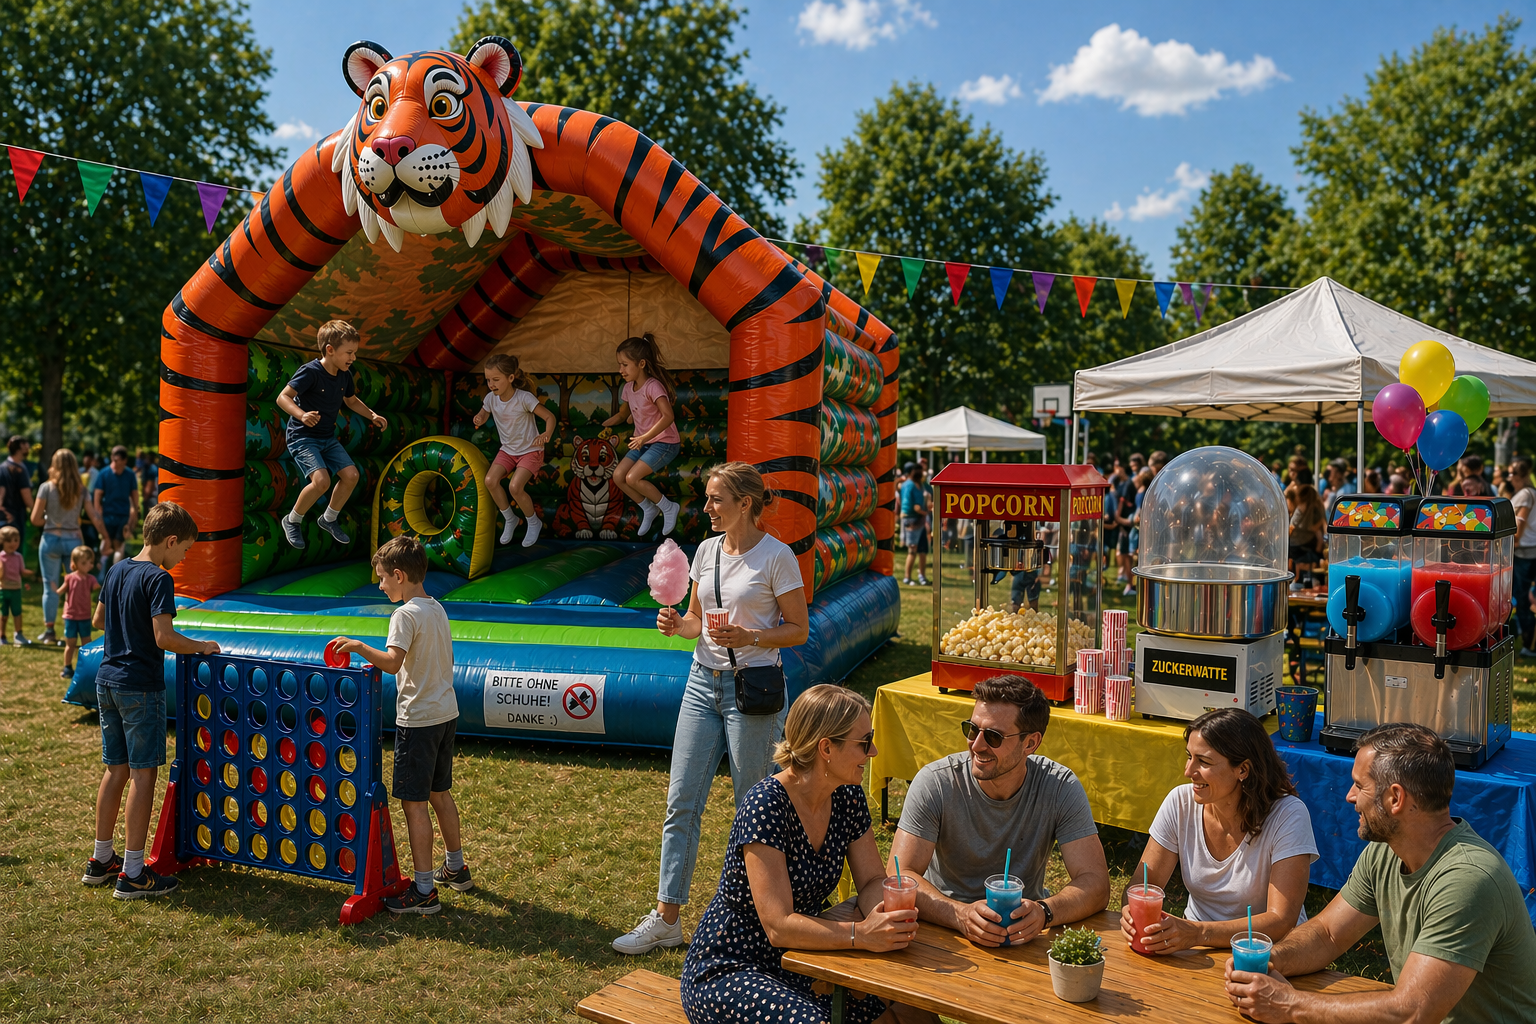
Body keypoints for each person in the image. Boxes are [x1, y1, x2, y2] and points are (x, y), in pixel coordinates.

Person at [615, 462, 808, 955]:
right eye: (707, 498)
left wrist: (751, 637)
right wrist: (676, 624)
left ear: (745, 503)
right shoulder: (705, 551)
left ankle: (758, 919)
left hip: (753, 691)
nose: (706, 508)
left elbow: (799, 629)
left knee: (754, 809)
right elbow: (696, 622)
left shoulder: (777, 556)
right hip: (702, 684)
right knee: (681, 801)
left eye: (716, 499)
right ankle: (667, 918)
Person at [1224, 723, 1536, 1024]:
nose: (1350, 796)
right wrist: (1268, 961)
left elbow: (1413, 1013)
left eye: (1360, 786)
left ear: (1395, 798)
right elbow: (1328, 934)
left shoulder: (1467, 879)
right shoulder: (1387, 851)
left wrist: (1288, 1005)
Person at [679, 685, 916, 1024]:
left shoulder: (847, 795)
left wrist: (890, 913)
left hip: (804, 956)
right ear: (826, 748)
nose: (873, 752)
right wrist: (861, 935)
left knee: (905, 1009)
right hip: (732, 966)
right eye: (864, 742)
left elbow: (872, 880)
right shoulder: (766, 805)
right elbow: (778, 926)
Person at [888, 674, 1110, 947]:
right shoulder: (936, 782)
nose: (976, 745)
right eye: (972, 729)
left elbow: (1096, 884)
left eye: (993, 737)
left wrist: (1044, 912)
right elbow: (899, 875)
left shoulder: (1058, 786)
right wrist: (959, 914)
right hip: (945, 933)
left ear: (1030, 743)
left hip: (1021, 934)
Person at [85, 501, 218, 898]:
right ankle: (132, 873)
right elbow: (164, 637)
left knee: (116, 770)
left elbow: (98, 620)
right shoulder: (158, 578)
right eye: (185, 550)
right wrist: (201, 646)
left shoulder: (116, 569)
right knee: (143, 776)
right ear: (171, 541)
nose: (183, 558)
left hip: (106, 681)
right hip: (140, 686)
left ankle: (100, 860)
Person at [330, 536, 468, 914]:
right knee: (440, 794)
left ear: (399, 575)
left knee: (414, 803)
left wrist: (359, 646)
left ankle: (423, 891)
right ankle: (456, 867)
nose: (380, 585)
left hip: (419, 720)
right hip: (446, 713)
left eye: (382, 578)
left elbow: (392, 663)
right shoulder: (436, 608)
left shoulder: (404, 615)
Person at [1121, 709, 1317, 954]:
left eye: (1204, 762)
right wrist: (1130, 913)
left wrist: (1198, 933)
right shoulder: (1180, 803)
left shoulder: (1288, 815)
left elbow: (1281, 920)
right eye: (1189, 757)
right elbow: (1142, 886)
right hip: (1195, 949)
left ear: (1243, 770)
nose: (1188, 771)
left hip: (1266, 954)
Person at [276, 320, 387, 549]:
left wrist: (372, 415)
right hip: (303, 437)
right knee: (322, 481)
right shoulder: (310, 372)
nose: (353, 358)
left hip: (326, 437)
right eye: (349, 352)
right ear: (330, 349)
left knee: (351, 475)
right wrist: (302, 415)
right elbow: (283, 397)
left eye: (355, 352)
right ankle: (292, 520)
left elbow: (351, 401)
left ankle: (328, 518)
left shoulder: (344, 374)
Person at [603, 333, 684, 537]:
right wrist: (605, 424)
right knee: (618, 476)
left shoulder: (653, 386)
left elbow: (668, 416)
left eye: (625, 365)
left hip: (664, 443)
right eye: (619, 365)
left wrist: (643, 437)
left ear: (641, 364)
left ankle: (668, 507)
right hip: (643, 442)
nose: (620, 370)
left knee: (632, 478)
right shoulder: (628, 388)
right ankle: (648, 507)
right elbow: (624, 414)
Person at [473, 353, 555, 547]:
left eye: (496, 379)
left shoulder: (524, 398)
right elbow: (484, 413)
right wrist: (480, 418)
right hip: (508, 450)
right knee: (490, 481)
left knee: (515, 487)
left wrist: (547, 434)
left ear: (510, 378)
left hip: (530, 450)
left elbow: (549, 417)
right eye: (488, 380)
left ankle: (533, 522)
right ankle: (510, 518)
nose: (491, 384)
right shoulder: (491, 399)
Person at [32, 448, 103, 646]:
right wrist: (105, 536)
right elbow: (94, 516)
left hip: (51, 539)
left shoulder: (46, 488)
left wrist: (51, 520)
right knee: (76, 587)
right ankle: (74, 631)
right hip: (73, 540)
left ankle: (49, 631)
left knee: (50, 587)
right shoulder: (81, 490)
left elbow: (35, 519)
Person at [57, 546, 99, 679]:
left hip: (85, 617)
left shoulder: (91, 579)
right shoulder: (69, 578)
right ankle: (67, 667)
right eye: (84, 562)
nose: (89, 565)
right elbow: (60, 591)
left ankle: (87, 668)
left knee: (86, 644)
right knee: (71, 644)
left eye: (90, 562)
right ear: (75, 563)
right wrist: (54, 591)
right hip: (71, 616)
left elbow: (98, 589)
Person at [94, 446, 140, 568]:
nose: (115, 464)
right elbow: (97, 497)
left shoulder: (129, 475)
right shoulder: (104, 473)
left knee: (119, 545)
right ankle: (102, 573)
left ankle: (116, 572)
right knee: (106, 544)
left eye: (118, 461)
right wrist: (98, 517)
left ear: (124, 461)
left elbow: (135, 497)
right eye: (114, 461)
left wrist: (133, 518)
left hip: (123, 515)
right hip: (107, 516)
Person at [1508, 458, 1536, 656]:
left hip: (1523, 553)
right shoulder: (1528, 492)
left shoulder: (1525, 494)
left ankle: (1529, 645)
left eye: (1512, 473)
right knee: (1523, 597)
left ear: (1522, 475)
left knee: (1523, 598)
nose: (1509, 477)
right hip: (1526, 552)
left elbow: (1518, 530)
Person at [1287, 469, 1325, 588]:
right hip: (1308, 544)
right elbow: (1317, 525)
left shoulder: (1303, 504)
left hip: (1298, 545)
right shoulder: (1314, 501)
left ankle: (1297, 581)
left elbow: (1295, 525)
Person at [0, 524, 34, 644]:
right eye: (9, 541)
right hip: (3, 590)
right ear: (2, 542)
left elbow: (22, 571)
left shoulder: (18, 556)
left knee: (17, 613)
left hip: (16, 590)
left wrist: (32, 573)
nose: (13, 543)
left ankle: (18, 635)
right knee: (3, 615)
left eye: (16, 540)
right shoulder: (0, 557)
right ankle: (2, 636)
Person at [0, 436, 33, 552]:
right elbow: (27, 498)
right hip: (16, 518)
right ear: (21, 447)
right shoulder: (20, 470)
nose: (28, 448)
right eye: (26, 445)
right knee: (15, 555)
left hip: (3, 517)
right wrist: (39, 512)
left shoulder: (2, 467)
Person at [900, 464, 931, 587]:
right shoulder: (908, 485)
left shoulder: (919, 484)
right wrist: (923, 511)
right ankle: (907, 577)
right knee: (912, 550)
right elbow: (910, 505)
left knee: (923, 550)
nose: (921, 473)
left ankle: (922, 576)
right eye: (918, 471)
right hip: (911, 520)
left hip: (920, 520)